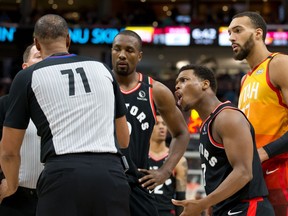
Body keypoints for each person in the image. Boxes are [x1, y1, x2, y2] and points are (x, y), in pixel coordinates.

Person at [0, 14, 130, 216]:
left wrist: (12, 185)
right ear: (68, 39)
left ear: (37, 42)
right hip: (110, 175)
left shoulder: (28, 76)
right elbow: (123, 139)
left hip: (63, 175)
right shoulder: (103, 69)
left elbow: (9, 151)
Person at [172, 64, 274, 216]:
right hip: (226, 208)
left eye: (184, 80)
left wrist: (202, 204)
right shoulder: (207, 123)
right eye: (176, 84)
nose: (177, 87)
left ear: (205, 84)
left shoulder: (227, 117)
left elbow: (244, 173)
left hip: (246, 208)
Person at [111, 29, 190, 216]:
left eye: (129, 50)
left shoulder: (155, 91)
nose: (122, 55)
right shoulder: (99, 83)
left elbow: (181, 133)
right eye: (117, 49)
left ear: (139, 56)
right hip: (103, 180)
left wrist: (165, 171)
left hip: (136, 182)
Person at [228, 11, 288, 215]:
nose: (231, 37)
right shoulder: (245, 80)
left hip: (282, 172)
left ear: (258, 34)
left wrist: (263, 153)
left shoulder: (279, 64)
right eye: (229, 32)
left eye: (238, 30)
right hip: (255, 176)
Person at [0, 44, 43, 216]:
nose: (45, 60)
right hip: (13, 197)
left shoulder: (63, 105)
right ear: (25, 67)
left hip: (53, 195)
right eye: (39, 56)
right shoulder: (5, 104)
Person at [148, 113, 188, 216]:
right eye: (157, 124)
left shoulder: (177, 159)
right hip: (144, 209)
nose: (161, 127)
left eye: (164, 124)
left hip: (166, 212)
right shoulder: (140, 155)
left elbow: (181, 198)